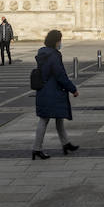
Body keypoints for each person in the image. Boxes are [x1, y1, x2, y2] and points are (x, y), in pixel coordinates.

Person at [31, 29, 79, 159]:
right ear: (56, 41)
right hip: (52, 91)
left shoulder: (43, 53)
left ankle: (66, 143)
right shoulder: (53, 55)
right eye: (60, 40)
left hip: (45, 90)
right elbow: (60, 75)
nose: (60, 43)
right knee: (44, 120)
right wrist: (72, 89)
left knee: (58, 118)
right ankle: (36, 148)